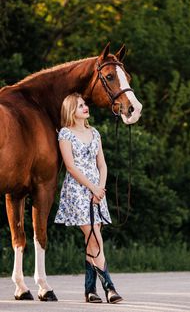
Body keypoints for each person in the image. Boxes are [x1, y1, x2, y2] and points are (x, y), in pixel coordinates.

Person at [54, 92, 122, 304]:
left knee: (92, 239)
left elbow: (102, 164)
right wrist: (92, 187)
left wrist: (100, 188)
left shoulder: (95, 132)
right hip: (78, 189)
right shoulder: (65, 134)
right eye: (80, 105)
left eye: (84, 104)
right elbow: (71, 167)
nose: (85, 107)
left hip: (97, 191)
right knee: (94, 238)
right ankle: (109, 287)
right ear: (71, 111)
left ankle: (90, 291)